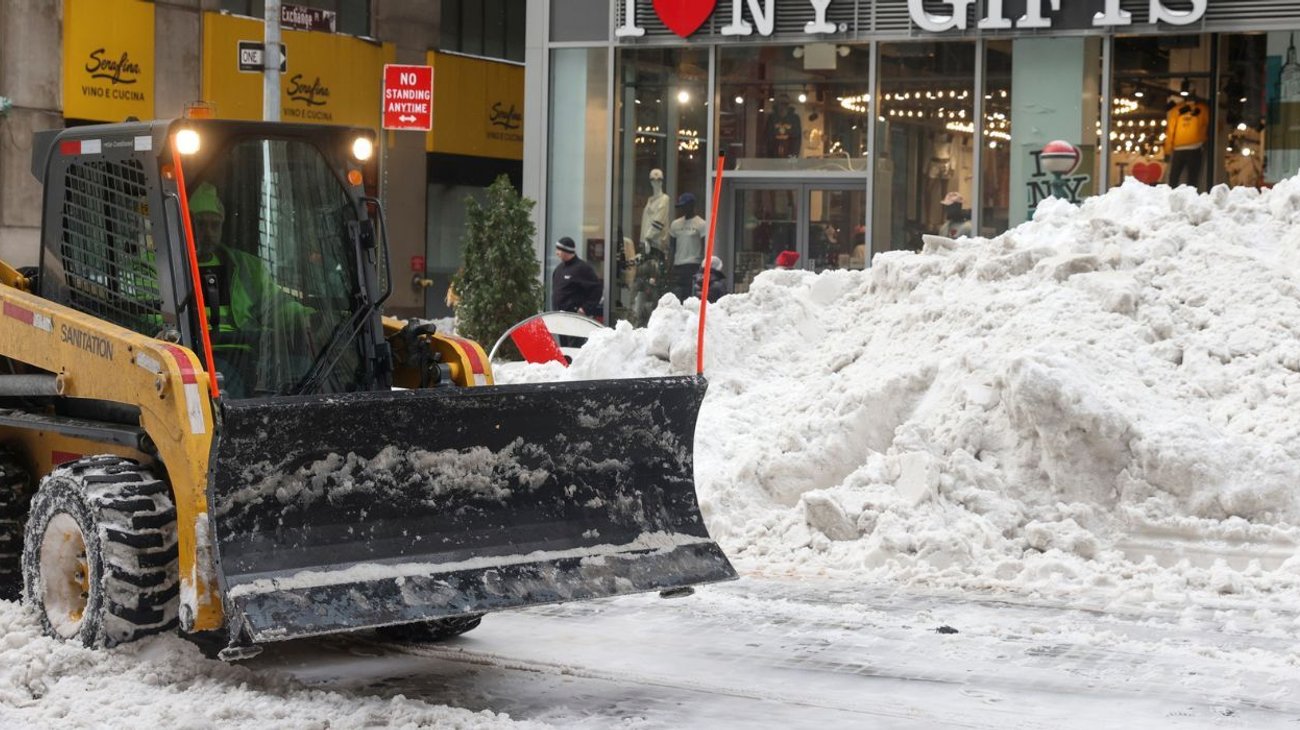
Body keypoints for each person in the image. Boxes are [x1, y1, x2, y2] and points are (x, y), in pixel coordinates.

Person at [187, 181, 312, 396]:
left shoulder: (246, 266)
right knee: (227, 384)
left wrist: (308, 316)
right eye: (200, 224)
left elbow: (274, 305)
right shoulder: (160, 266)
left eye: (214, 225)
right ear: (186, 224)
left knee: (303, 370)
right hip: (196, 353)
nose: (208, 232)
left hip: (250, 351)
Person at [669, 193, 707, 300]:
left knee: (690, 295)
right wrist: (670, 266)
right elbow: (672, 246)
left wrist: (703, 267)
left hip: (693, 265)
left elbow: (705, 246)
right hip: (678, 265)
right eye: (681, 206)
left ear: (691, 205)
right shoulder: (675, 224)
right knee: (677, 295)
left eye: (684, 206)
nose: (682, 209)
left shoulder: (701, 224)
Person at [551, 236, 602, 317]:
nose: (556, 253)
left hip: (574, 317)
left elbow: (596, 289)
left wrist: (585, 309)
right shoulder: (559, 269)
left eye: (559, 250)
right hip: (558, 316)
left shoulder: (582, 268)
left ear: (567, 251)